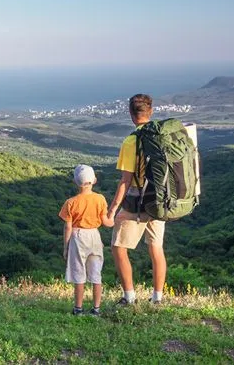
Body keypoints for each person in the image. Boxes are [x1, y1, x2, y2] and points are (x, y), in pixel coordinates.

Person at [107, 93, 166, 305]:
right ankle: (157, 298)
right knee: (156, 247)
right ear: (150, 112)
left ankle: (129, 297)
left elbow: (125, 180)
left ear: (131, 114)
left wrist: (112, 210)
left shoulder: (132, 141)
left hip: (137, 203)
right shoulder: (162, 136)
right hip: (160, 201)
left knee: (118, 247)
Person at [59, 164, 115, 316]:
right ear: (94, 180)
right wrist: (114, 217)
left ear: (76, 182)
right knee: (96, 274)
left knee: (79, 274)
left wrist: (66, 247)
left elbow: (67, 228)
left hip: (78, 236)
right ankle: (96, 309)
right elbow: (107, 223)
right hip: (94, 236)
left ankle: (78, 309)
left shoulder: (70, 202)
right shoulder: (100, 199)